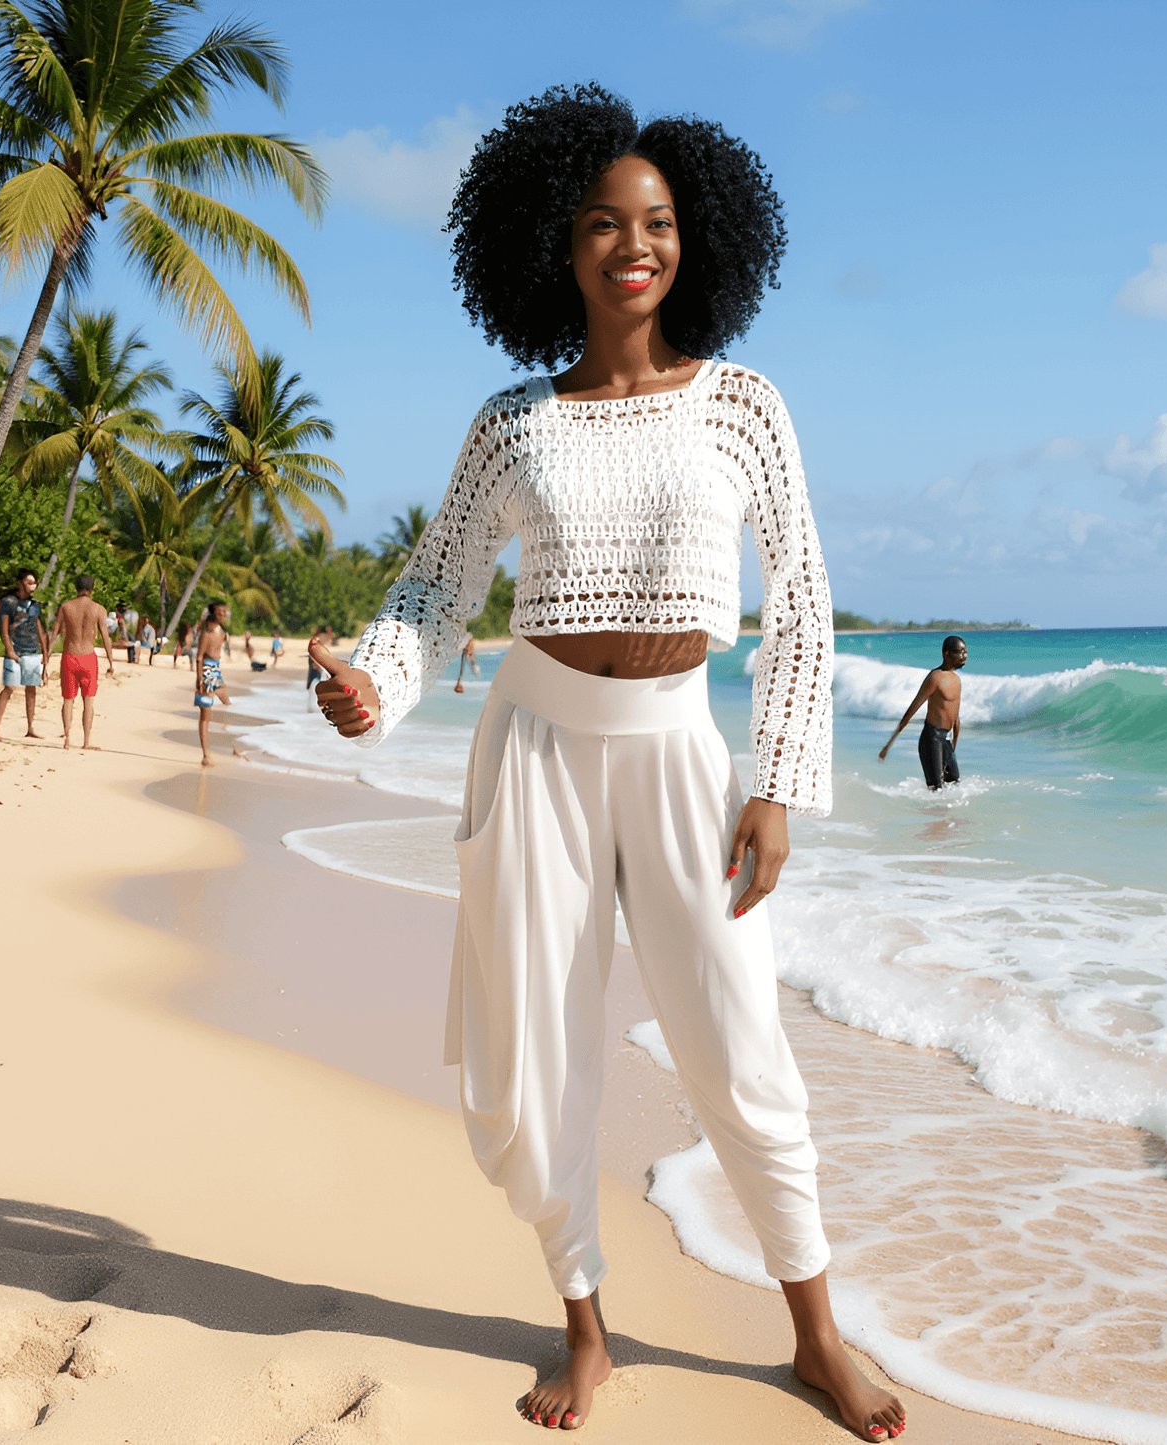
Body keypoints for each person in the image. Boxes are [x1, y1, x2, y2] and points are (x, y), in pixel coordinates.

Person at [309, 85, 904, 1442]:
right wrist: (375, 683)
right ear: (554, 241)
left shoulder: (743, 405)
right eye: (601, 223)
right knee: (534, 1059)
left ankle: (816, 1335)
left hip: (680, 754)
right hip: (534, 751)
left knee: (740, 1047)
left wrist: (777, 783)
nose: (634, 246)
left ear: (696, 238)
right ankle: (585, 1327)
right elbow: (435, 586)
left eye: (659, 222)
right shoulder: (512, 421)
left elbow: (803, 600)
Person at [877, 635, 967, 789]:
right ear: (946, 654)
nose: (964, 656)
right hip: (931, 739)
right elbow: (912, 710)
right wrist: (888, 745)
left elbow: (955, 716)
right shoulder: (934, 678)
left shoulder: (956, 680)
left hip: (945, 740)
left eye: (965, 652)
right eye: (960, 652)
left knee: (954, 783)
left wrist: (953, 748)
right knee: (937, 789)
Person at [46, 576, 115, 750]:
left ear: (76, 588)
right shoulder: (98, 609)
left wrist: (46, 656)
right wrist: (111, 662)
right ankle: (86, 742)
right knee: (88, 701)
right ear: (92, 588)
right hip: (88, 658)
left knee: (68, 700)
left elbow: (54, 633)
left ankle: (67, 739)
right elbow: (105, 637)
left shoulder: (65, 607)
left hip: (69, 656)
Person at [0, 568, 48, 740]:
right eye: (29, 582)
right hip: (15, 652)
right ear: (19, 583)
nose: (33, 586)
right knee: (9, 688)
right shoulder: (8, 602)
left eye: (34, 583)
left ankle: (30, 727)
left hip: (32, 652)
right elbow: (4, 629)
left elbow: (39, 628)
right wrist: (10, 650)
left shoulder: (35, 605)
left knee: (31, 689)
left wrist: (45, 652)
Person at [194, 602, 232, 767]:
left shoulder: (222, 633)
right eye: (219, 612)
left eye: (225, 611)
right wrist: (200, 680)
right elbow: (199, 657)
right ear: (213, 614)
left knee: (227, 704)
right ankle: (206, 755)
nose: (223, 614)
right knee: (206, 715)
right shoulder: (207, 634)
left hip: (216, 672)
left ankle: (231, 745)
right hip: (207, 673)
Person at [306, 625, 335, 692]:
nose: (329, 630)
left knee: (319, 675)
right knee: (314, 675)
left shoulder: (326, 636)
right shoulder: (320, 637)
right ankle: (312, 689)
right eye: (328, 629)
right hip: (315, 658)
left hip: (319, 658)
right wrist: (315, 661)